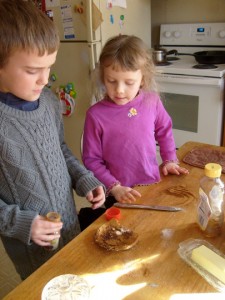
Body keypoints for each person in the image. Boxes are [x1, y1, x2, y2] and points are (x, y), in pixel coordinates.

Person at [0, 0, 105, 280]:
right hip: (31, 242)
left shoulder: (47, 101)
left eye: (49, 67)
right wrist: (22, 223)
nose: (44, 79)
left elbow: (58, 149)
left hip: (69, 221)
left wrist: (84, 178)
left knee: (77, 277)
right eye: (33, 71)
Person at [82, 34, 189, 208]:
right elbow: (91, 160)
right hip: (118, 192)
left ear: (142, 79)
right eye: (111, 81)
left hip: (152, 182)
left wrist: (169, 159)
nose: (119, 90)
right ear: (103, 77)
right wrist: (114, 187)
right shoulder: (95, 115)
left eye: (129, 82)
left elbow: (165, 130)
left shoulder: (152, 101)